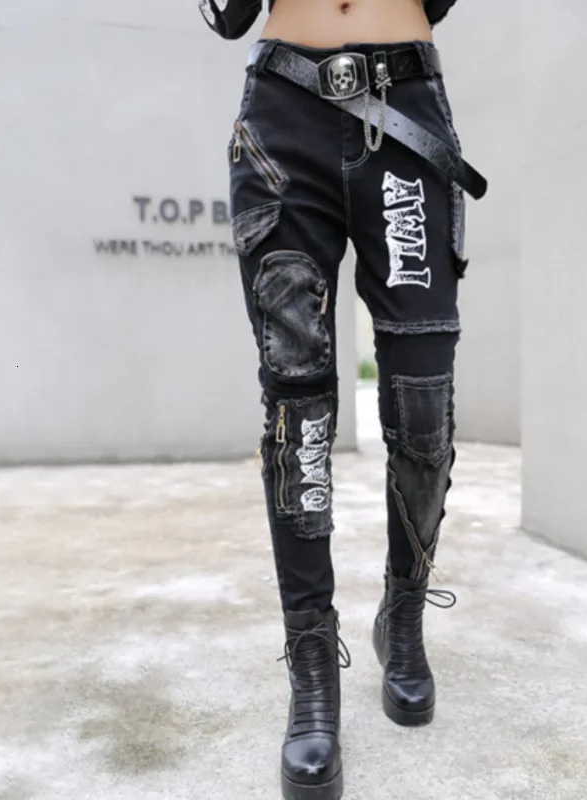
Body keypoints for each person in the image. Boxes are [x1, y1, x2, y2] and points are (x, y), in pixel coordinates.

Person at [199, 0, 486, 797]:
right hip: (283, 117)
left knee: (424, 405)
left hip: (406, 111)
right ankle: (313, 667)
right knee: (298, 414)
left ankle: (404, 617)